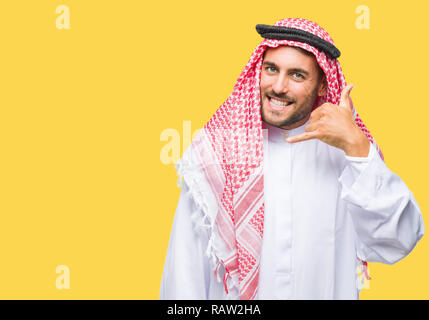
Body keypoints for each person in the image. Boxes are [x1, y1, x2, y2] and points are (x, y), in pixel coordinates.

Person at [159, 18, 425, 300]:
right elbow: (184, 275)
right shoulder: (216, 153)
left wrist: (357, 147)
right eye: (271, 69)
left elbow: (400, 239)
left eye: (297, 75)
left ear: (323, 85)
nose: (278, 86)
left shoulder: (349, 156)